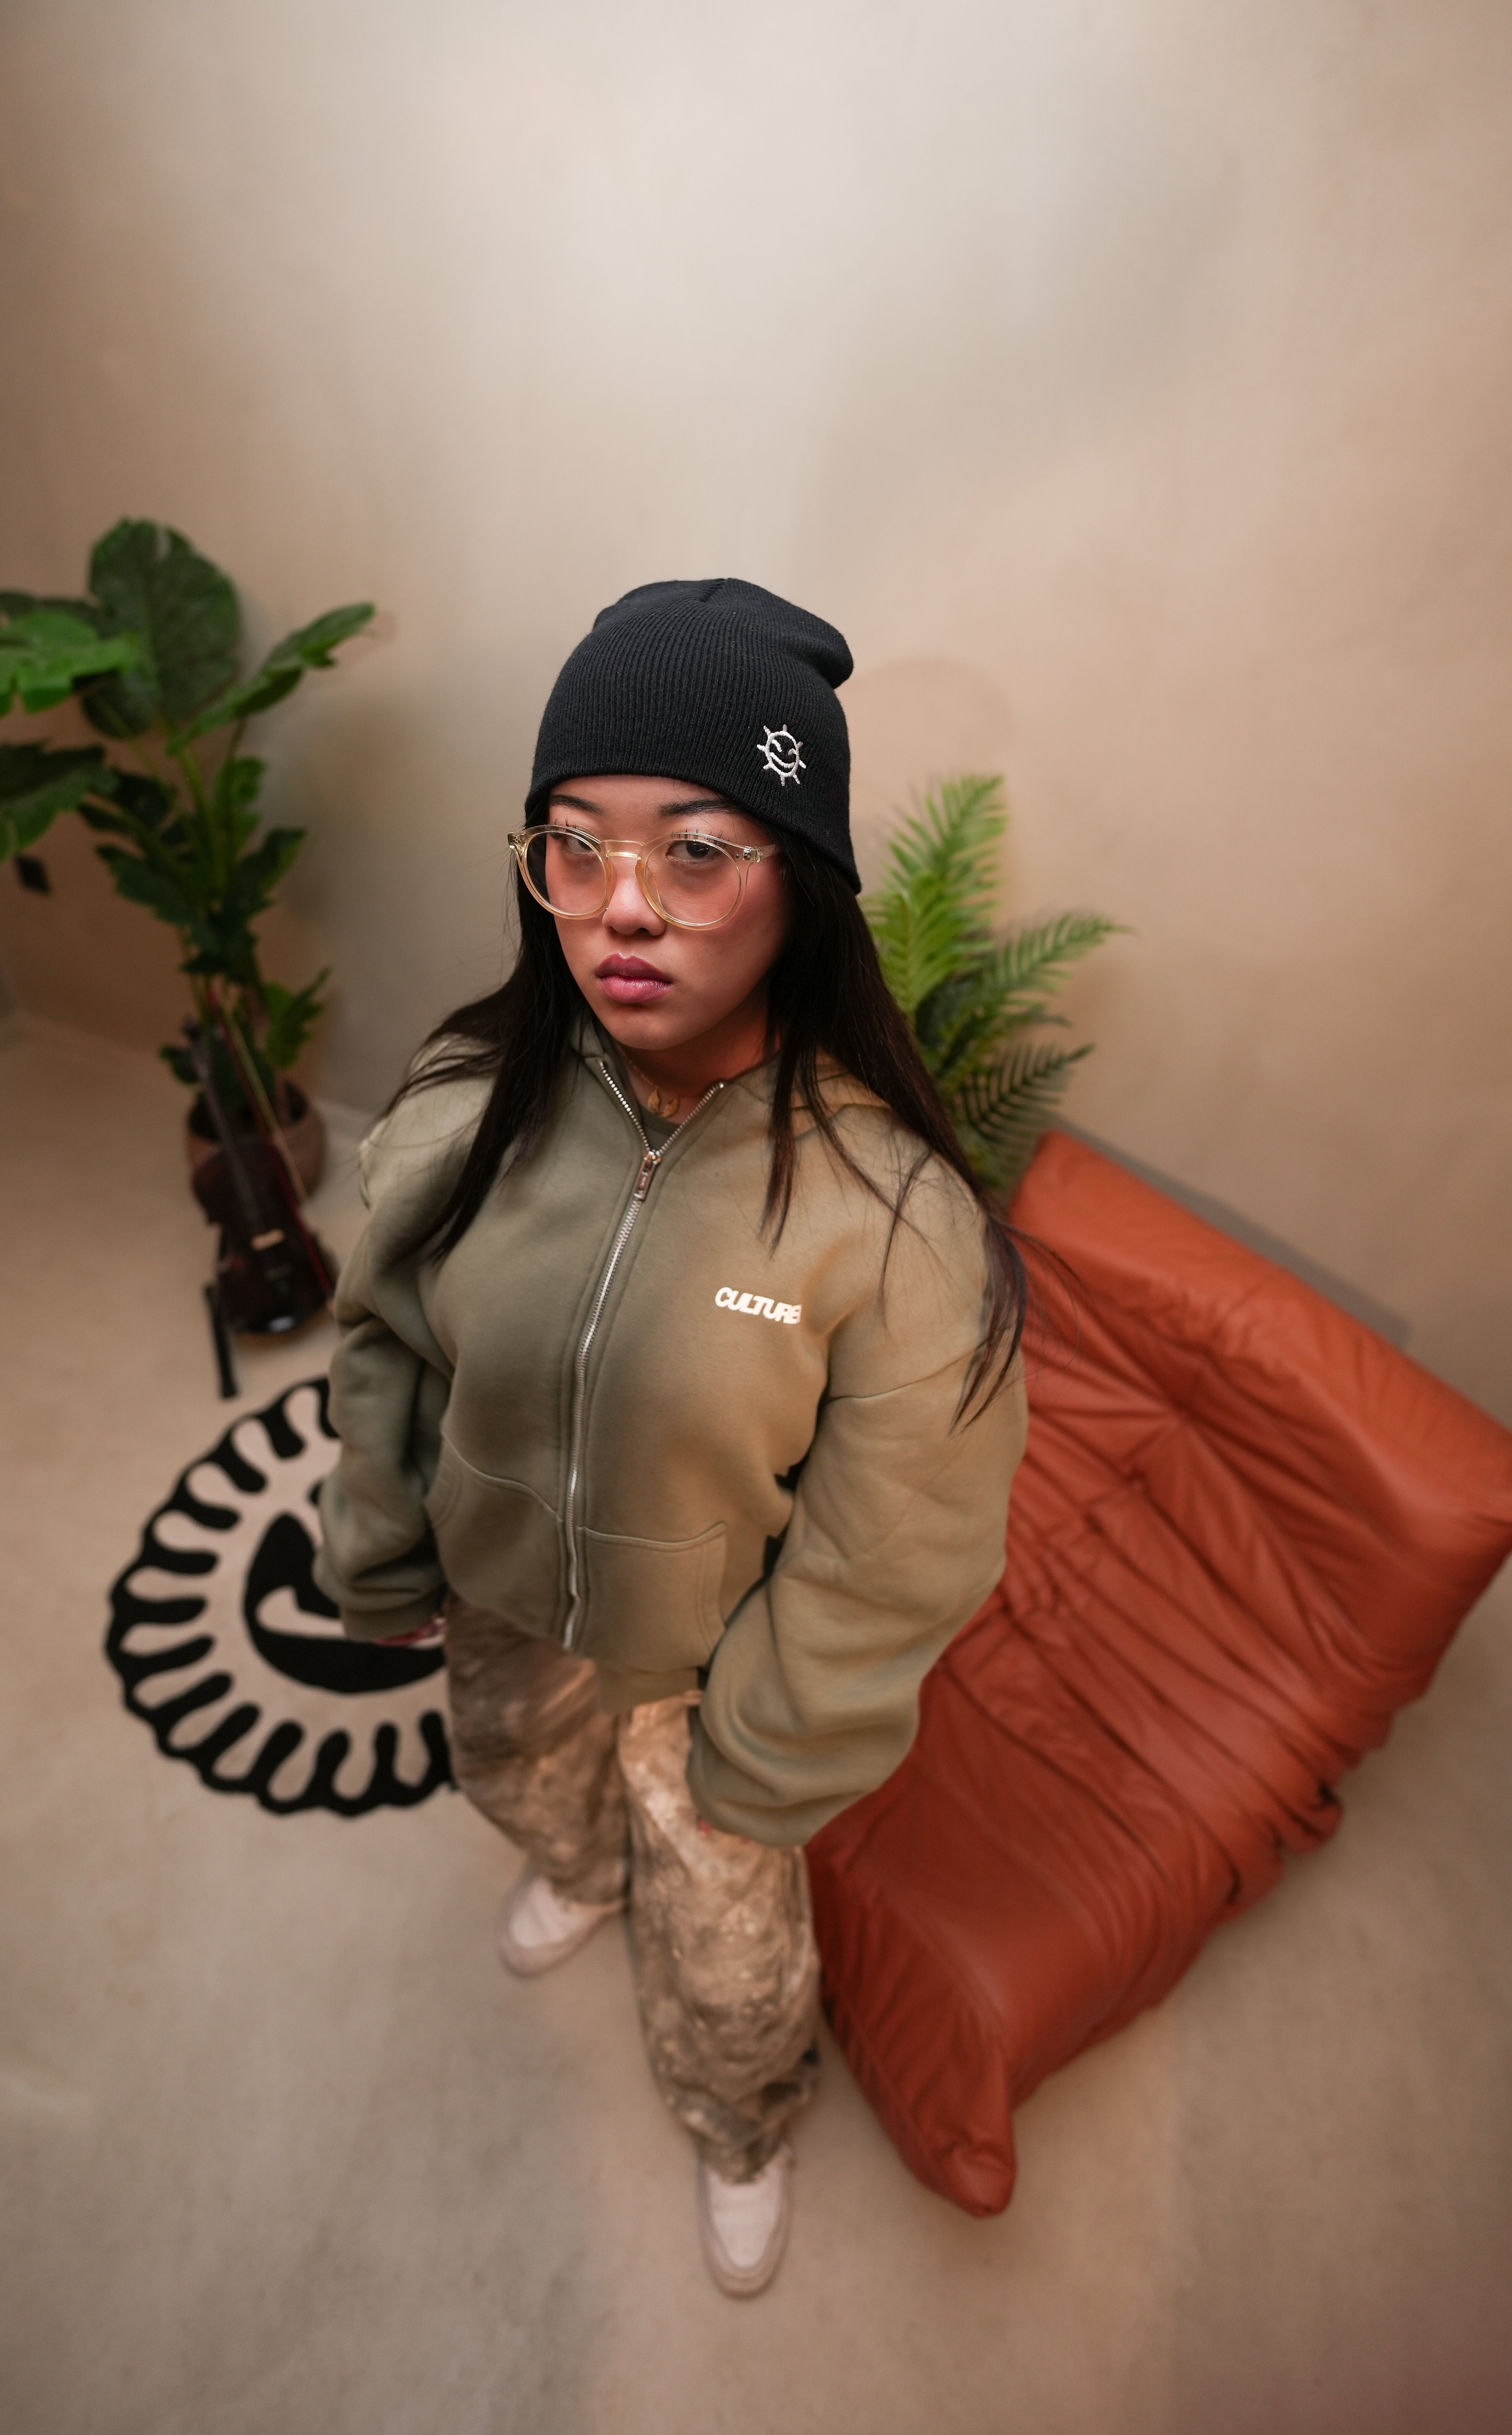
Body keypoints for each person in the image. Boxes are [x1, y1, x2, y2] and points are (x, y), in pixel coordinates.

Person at [314, 579, 1028, 2295]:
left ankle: (741, 2117)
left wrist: (760, 1759)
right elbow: (389, 1348)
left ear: (803, 880)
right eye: (574, 846)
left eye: (697, 850)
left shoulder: (894, 1227)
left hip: (707, 1673)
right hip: (500, 1600)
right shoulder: (463, 1103)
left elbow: (889, 1554)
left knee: (727, 1946)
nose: (621, 906)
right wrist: (383, 1549)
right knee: (513, 1771)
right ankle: (576, 1867)